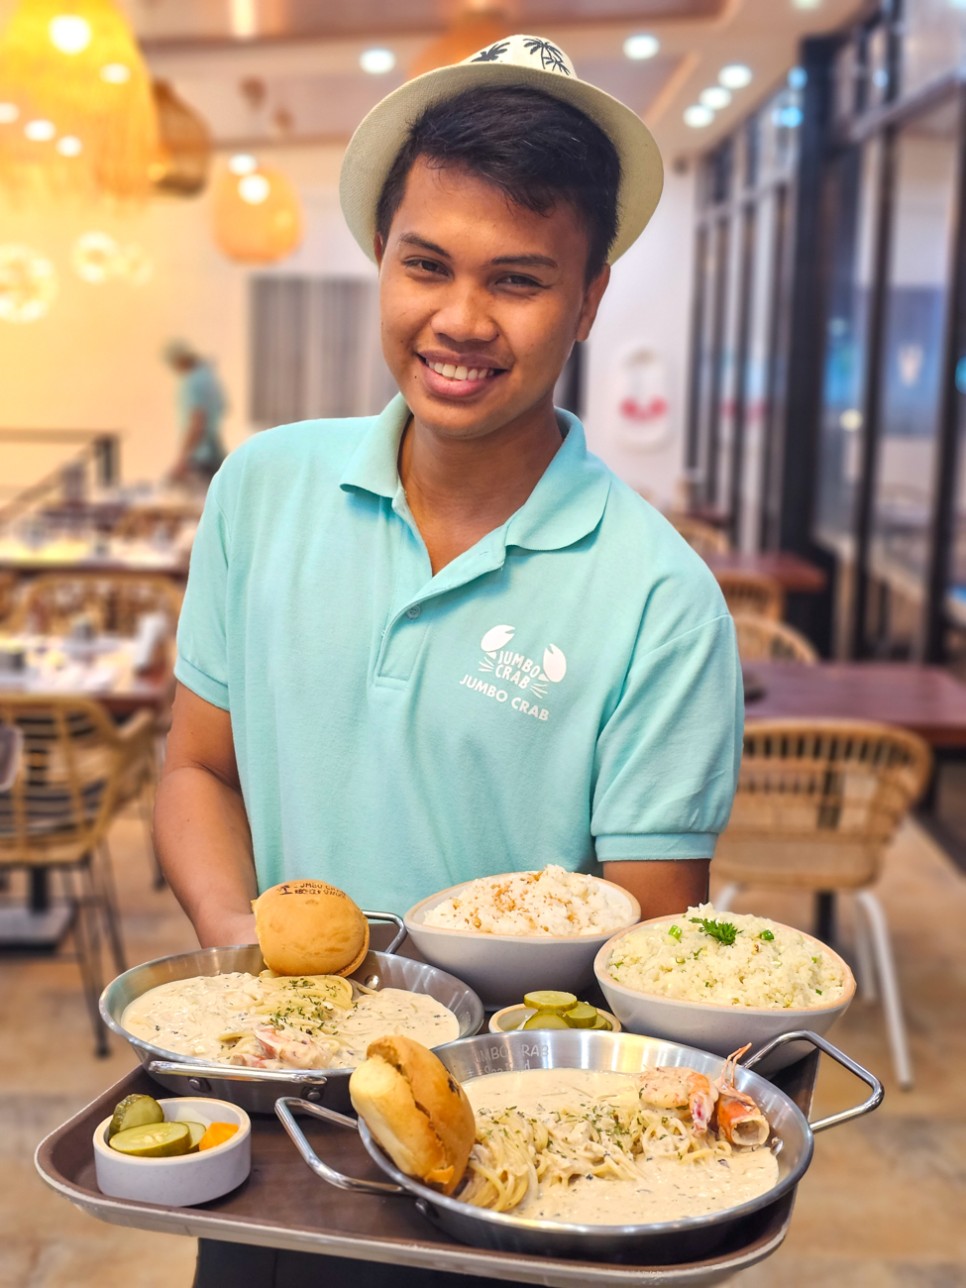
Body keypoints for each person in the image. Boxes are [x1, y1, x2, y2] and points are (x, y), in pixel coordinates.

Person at [156, 34, 742, 1287]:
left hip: (508, 1169)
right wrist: (250, 974)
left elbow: (651, 939)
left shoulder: (657, 598)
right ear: (384, 261)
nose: (460, 321)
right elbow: (199, 771)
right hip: (280, 1132)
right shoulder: (261, 490)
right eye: (427, 265)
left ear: (588, 301)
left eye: (519, 281)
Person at [160, 338, 228, 488]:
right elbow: (223, 409)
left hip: (199, 456)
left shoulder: (192, 382)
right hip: (214, 451)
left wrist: (182, 460)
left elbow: (197, 423)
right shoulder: (209, 377)